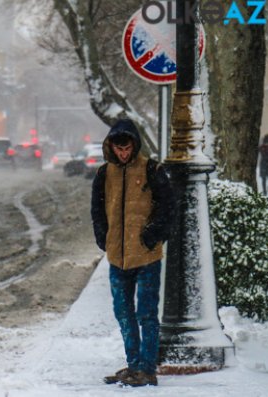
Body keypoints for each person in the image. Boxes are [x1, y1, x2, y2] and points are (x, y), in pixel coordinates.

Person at [91, 119, 174, 387]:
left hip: (147, 255)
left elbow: (167, 207)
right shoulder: (105, 174)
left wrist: (151, 235)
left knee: (146, 312)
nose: (123, 153)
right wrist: (104, 238)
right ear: (111, 147)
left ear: (134, 146)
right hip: (118, 255)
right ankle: (134, 363)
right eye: (119, 149)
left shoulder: (152, 169)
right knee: (122, 311)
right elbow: (97, 209)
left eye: (127, 149)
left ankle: (147, 367)